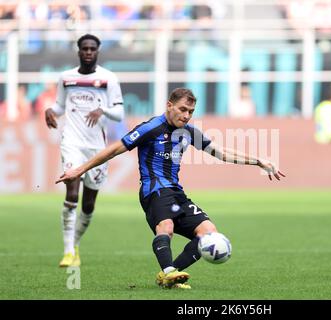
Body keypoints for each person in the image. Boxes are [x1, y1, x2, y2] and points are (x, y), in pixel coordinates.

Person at [56, 88, 285, 290]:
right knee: (165, 227)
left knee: (209, 233)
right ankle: (169, 272)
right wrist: (79, 170)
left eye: (191, 112)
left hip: (176, 192)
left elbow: (221, 152)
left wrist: (257, 160)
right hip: (154, 190)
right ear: (169, 105)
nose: (186, 116)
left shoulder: (189, 131)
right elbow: (115, 148)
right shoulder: (151, 127)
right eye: (182, 109)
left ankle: (169, 273)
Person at [45, 34, 124, 268]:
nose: (88, 52)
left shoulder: (108, 78)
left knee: (88, 206)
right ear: (78, 51)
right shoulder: (66, 78)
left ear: (98, 51)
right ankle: (68, 251)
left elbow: (119, 113)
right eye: (85, 49)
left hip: (97, 149)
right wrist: (51, 111)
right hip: (72, 143)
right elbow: (60, 105)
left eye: (92, 49)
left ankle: (75, 244)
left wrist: (103, 110)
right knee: (71, 194)